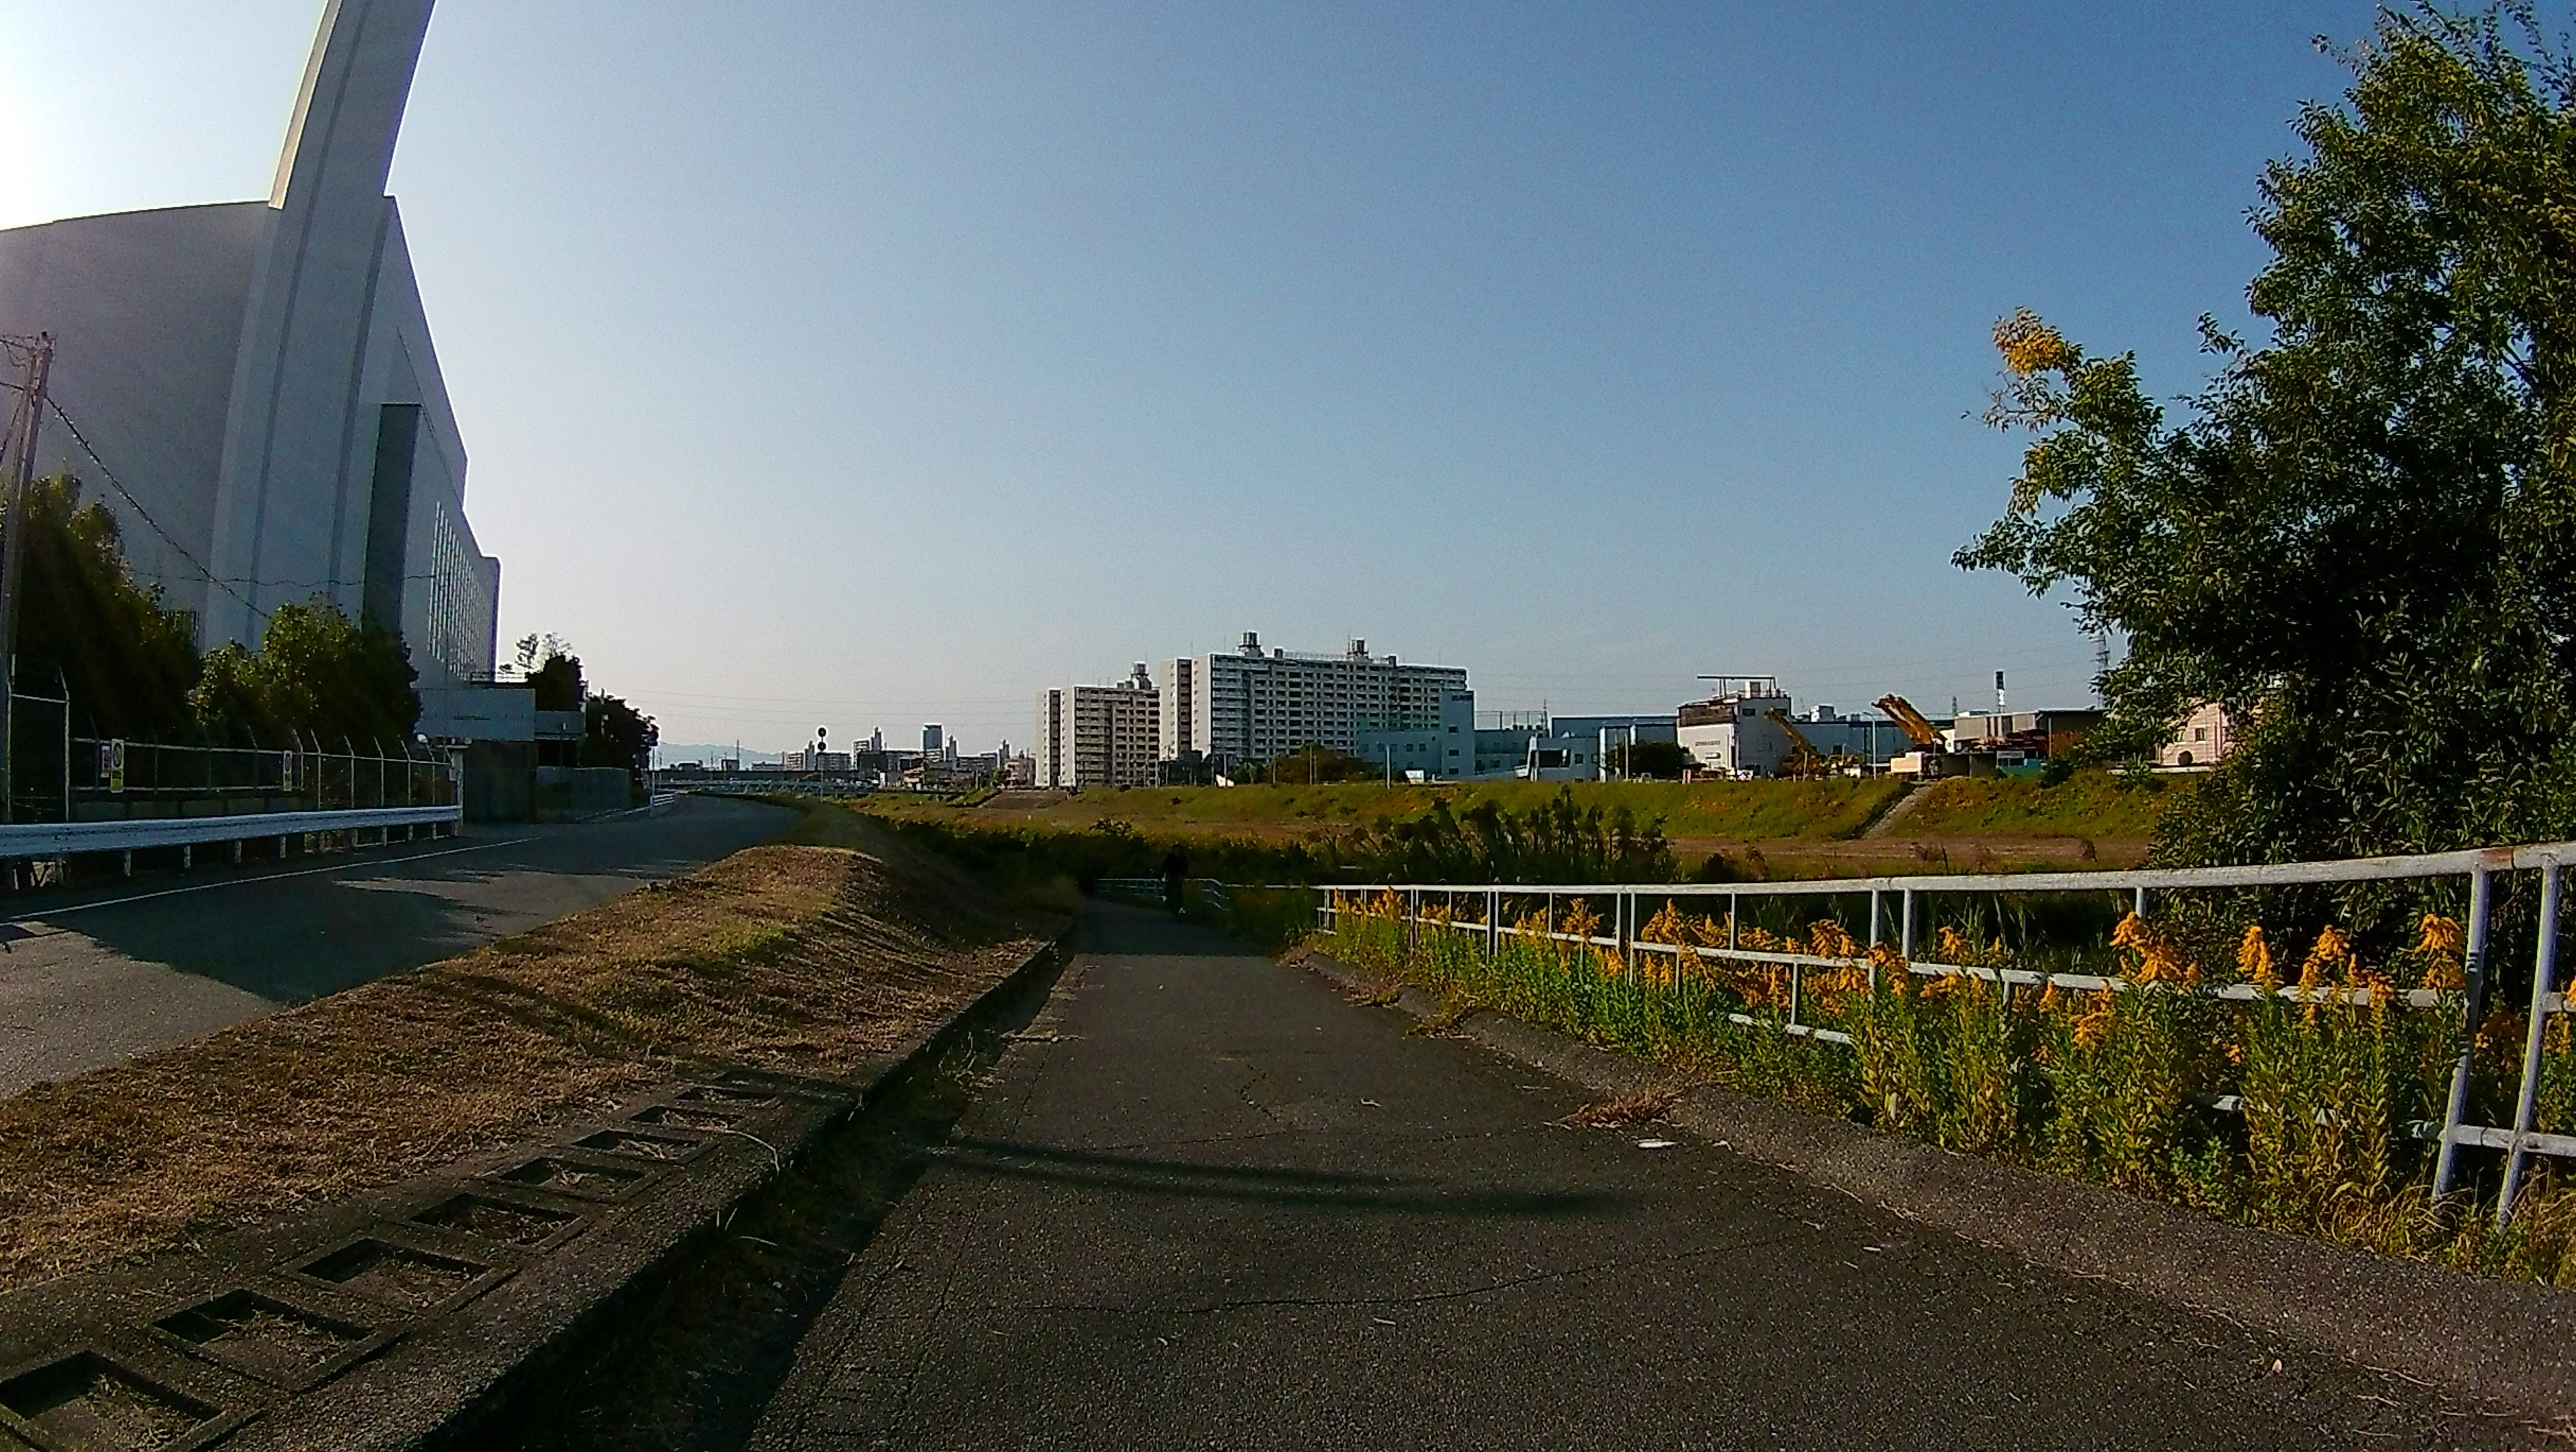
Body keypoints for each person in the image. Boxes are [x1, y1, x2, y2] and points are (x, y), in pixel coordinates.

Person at [1161, 847, 1189, 916]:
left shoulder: (1183, 858)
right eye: (1175, 850)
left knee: (1179, 890)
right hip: (1170, 875)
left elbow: (1185, 867)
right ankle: (1165, 898)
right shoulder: (1169, 858)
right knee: (1167, 885)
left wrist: (1183, 875)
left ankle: (1181, 907)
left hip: (1179, 875)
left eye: (1178, 850)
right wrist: (1164, 875)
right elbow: (1164, 867)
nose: (1177, 851)